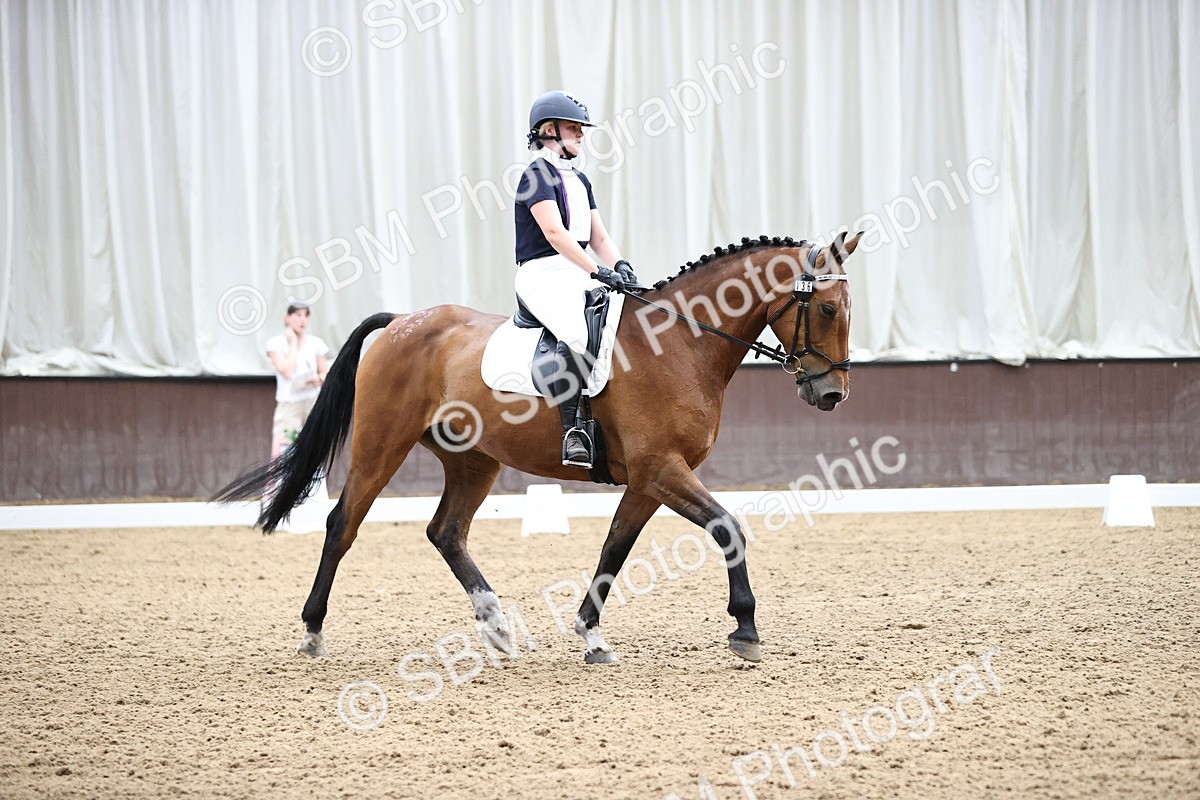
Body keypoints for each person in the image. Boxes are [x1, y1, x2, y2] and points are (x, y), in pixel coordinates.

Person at [514, 90, 639, 469]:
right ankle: (573, 430)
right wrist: (596, 270)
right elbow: (555, 234)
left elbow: (598, 237)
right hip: (541, 273)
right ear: (548, 131)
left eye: (580, 129)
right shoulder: (535, 176)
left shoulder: (579, 179)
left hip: (576, 270)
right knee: (576, 333)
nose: (581, 135)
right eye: (573, 128)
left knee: (625, 320)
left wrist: (620, 264)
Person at [265, 302, 330, 460]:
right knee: (284, 453)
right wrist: (293, 343)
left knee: (314, 449)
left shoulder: (316, 343)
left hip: (312, 401)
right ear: (288, 317)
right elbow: (287, 371)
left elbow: (325, 372)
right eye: (298, 315)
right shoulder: (275, 343)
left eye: (306, 316)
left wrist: (319, 379)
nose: (303, 320)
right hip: (290, 403)